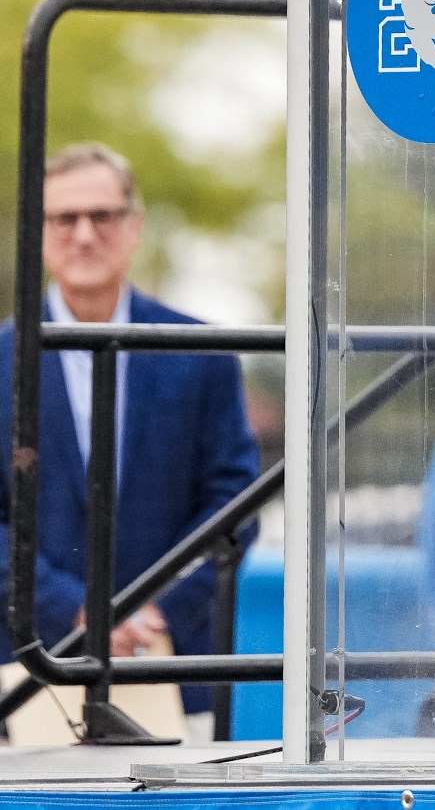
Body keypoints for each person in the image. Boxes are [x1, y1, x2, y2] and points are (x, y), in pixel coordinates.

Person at [0, 143, 261, 738]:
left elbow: (235, 503)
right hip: (22, 678)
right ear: (37, 231)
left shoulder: (204, 355)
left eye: (103, 216)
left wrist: (150, 609)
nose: (85, 235)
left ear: (134, 225)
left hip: (173, 670)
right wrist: (74, 609)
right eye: (65, 218)